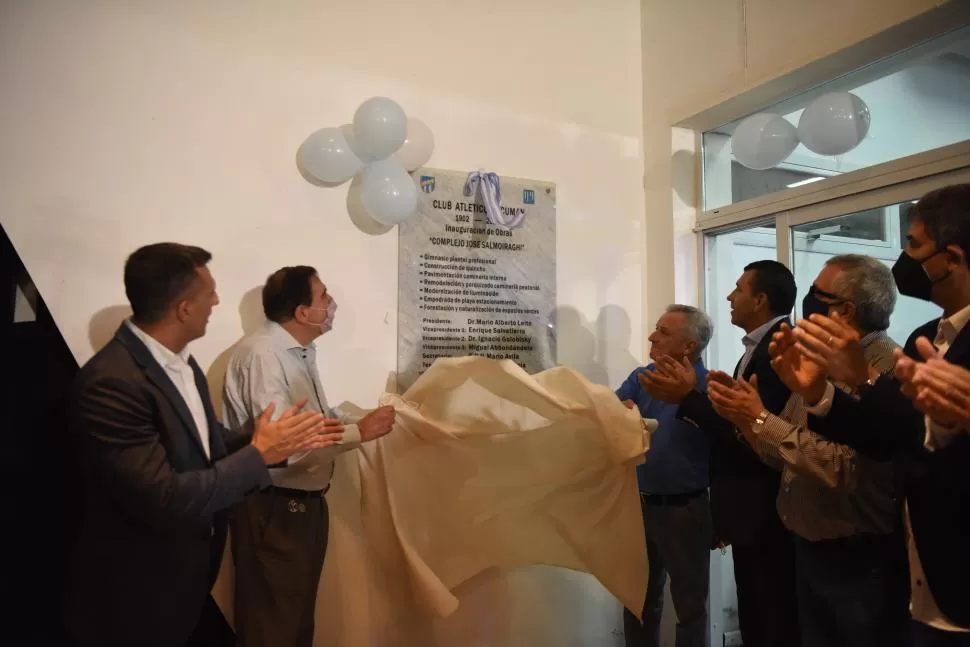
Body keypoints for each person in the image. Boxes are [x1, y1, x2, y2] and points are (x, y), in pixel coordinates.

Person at [64, 243, 342, 647]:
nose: (215, 300)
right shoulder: (112, 383)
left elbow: (205, 442)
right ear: (183, 307)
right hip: (133, 594)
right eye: (208, 291)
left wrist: (258, 437)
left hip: (181, 583)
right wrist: (259, 454)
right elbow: (165, 496)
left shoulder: (180, 363)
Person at [771, 184, 970, 644]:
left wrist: (865, 379)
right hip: (918, 567)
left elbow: (866, 462)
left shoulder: (892, 352)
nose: (905, 262)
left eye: (915, 246)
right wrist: (820, 394)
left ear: (953, 257)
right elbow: (890, 439)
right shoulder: (928, 333)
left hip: (953, 564)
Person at [708, 255, 909, 647]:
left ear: (845, 310)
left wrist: (760, 420)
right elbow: (780, 451)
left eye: (818, 295)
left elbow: (843, 467)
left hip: (855, 556)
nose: (808, 304)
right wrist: (748, 419)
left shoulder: (886, 368)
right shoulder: (818, 362)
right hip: (807, 544)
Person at [222, 266, 396, 647]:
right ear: (303, 313)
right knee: (273, 627)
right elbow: (284, 442)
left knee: (294, 623)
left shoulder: (299, 352)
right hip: (273, 507)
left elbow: (317, 419)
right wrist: (359, 432)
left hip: (301, 505)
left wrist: (361, 421)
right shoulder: (264, 356)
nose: (331, 305)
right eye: (323, 297)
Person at [640, 260, 800, 647]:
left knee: (768, 619)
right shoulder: (755, 349)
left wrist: (691, 400)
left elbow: (752, 433)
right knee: (756, 617)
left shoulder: (779, 350)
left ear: (760, 300)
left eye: (739, 289)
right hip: (740, 511)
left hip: (762, 510)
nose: (729, 296)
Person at [615, 305, 713, 647]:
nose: (651, 336)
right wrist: (617, 415)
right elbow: (611, 415)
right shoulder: (642, 376)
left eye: (663, 332)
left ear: (688, 347)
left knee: (690, 606)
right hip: (639, 505)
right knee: (638, 601)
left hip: (686, 511)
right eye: (655, 328)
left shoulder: (709, 387)